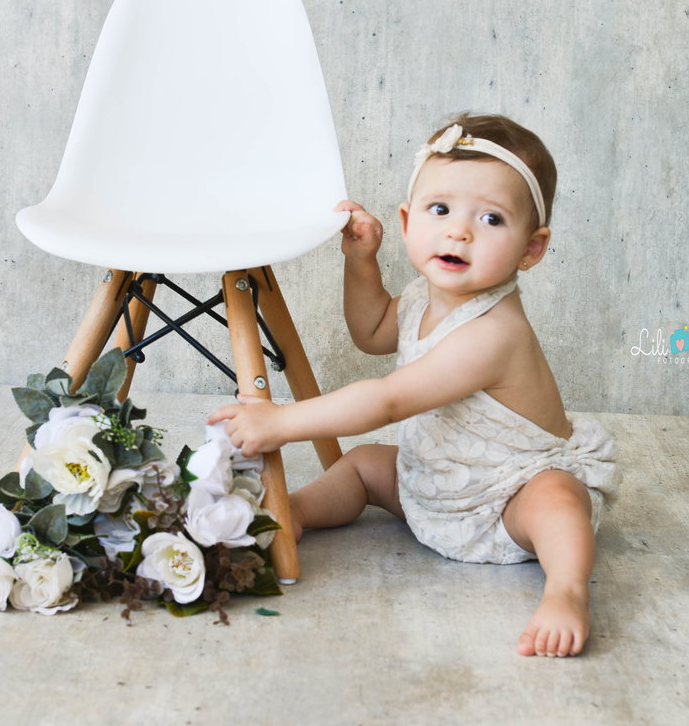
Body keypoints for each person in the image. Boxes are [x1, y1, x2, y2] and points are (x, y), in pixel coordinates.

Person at [208, 113, 620, 658]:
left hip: (507, 495)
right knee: (361, 468)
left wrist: (282, 422)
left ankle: (566, 590)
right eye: (441, 209)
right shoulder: (425, 297)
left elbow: (388, 398)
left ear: (532, 248)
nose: (459, 231)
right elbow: (373, 330)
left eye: (492, 219)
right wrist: (361, 263)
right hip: (438, 484)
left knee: (557, 500)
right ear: (407, 221)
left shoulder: (496, 332)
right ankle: (297, 512)